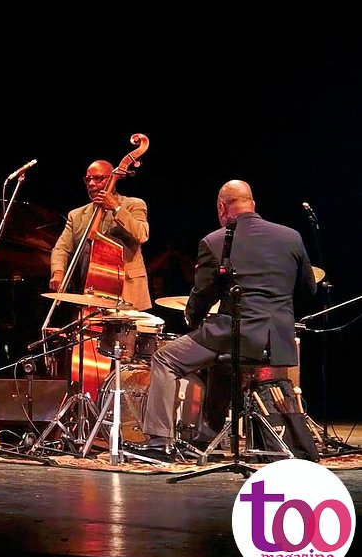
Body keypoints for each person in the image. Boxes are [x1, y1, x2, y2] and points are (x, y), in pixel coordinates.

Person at [133, 180, 317, 458]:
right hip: (278, 340)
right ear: (252, 203)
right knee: (222, 366)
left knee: (165, 359)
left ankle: (160, 441)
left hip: (236, 333)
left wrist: (193, 319)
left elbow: (203, 294)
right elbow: (308, 290)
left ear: (222, 207)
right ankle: (206, 438)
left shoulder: (215, 241)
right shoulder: (291, 237)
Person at [49, 159, 152, 311]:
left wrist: (116, 207)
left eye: (98, 178)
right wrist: (58, 273)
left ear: (113, 179)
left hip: (128, 292)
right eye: (88, 179)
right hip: (92, 291)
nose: (91, 184)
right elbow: (61, 249)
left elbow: (141, 234)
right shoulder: (76, 215)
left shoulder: (134, 204)